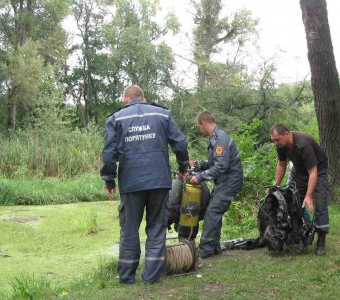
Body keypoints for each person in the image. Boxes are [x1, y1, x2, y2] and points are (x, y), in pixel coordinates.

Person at [100, 85, 189, 284]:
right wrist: (183, 167)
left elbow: (108, 154)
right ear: (144, 97)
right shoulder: (163, 114)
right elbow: (180, 144)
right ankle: (151, 276)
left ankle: (127, 276)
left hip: (131, 183)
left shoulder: (116, 118)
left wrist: (109, 178)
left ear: (125, 99)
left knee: (130, 228)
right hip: (159, 181)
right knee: (157, 227)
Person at [189, 111, 243, 258]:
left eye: (199, 127)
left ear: (203, 123)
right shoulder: (214, 138)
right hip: (224, 182)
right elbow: (215, 162)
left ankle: (206, 249)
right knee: (214, 212)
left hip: (229, 182)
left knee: (212, 212)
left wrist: (200, 177)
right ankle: (214, 247)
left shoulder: (220, 139)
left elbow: (221, 167)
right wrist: (199, 165)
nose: (200, 130)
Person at [270, 124, 330, 255]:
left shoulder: (303, 144)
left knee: (319, 203)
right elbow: (281, 164)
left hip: (317, 171)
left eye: (277, 139)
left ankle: (321, 239)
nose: (275, 142)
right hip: (299, 171)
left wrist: (309, 196)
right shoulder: (281, 145)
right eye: (273, 140)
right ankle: (301, 234)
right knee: (294, 201)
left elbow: (313, 173)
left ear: (286, 134)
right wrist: (276, 185)